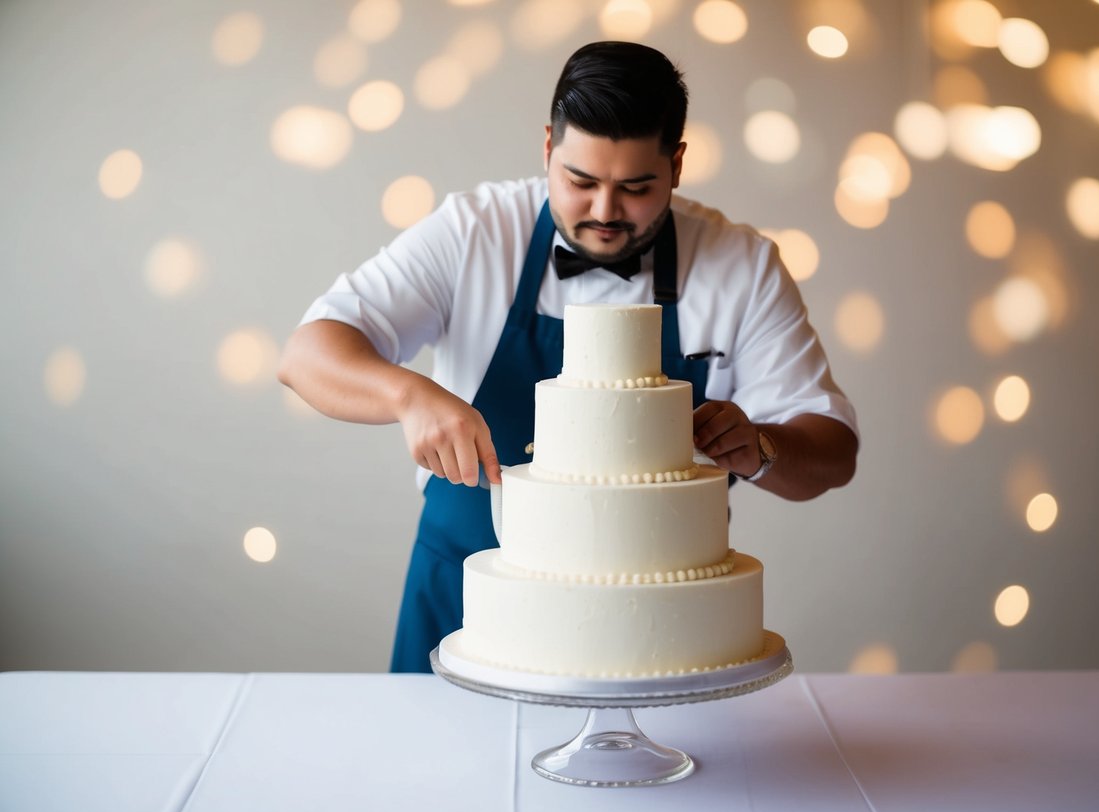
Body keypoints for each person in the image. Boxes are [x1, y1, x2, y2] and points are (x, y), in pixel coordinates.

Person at [279, 41, 859, 673]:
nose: (606, 212)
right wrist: (407, 395)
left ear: (678, 164)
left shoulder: (742, 265)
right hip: (466, 598)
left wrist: (762, 447)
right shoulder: (475, 230)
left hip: (654, 634)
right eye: (581, 182)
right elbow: (307, 353)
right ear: (548, 150)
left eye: (637, 188)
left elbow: (832, 449)